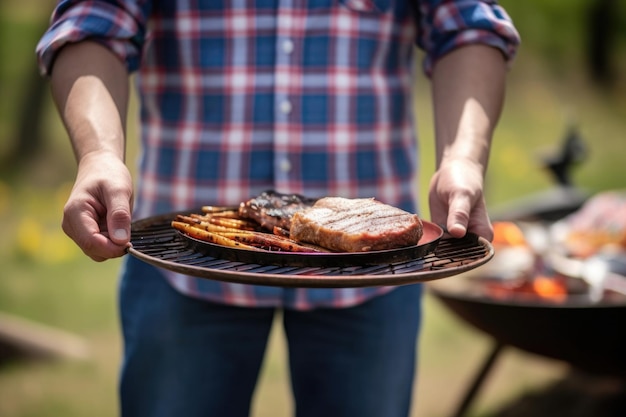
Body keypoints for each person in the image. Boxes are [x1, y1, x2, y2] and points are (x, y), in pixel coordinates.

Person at [37, 1, 519, 416]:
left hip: (373, 273)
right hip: (186, 267)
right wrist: (99, 153)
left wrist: (463, 157)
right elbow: (92, 21)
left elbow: (468, 26)